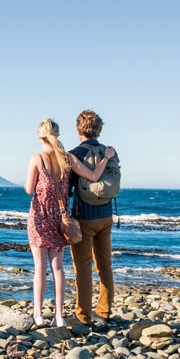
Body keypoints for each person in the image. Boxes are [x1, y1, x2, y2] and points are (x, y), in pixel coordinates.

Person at [24, 119, 113, 327]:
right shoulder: (68, 158)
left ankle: (38, 315)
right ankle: (60, 317)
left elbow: (29, 189)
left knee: (40, 268)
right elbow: (93, 176)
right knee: (58, 269)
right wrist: (106, 158)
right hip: (60, 219)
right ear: (58, 134)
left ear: (40, 136)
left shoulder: (37, 158)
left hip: (39, 217)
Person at [69, 110, 118, 325]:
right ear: (99, 129)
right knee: (105, 265)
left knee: (83, 268)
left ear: (79, 129)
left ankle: (83, 316)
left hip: (84, 217)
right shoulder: (111, 152)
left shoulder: (74, 155)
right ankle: (105, 311)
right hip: (106, 215)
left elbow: (68, 188)